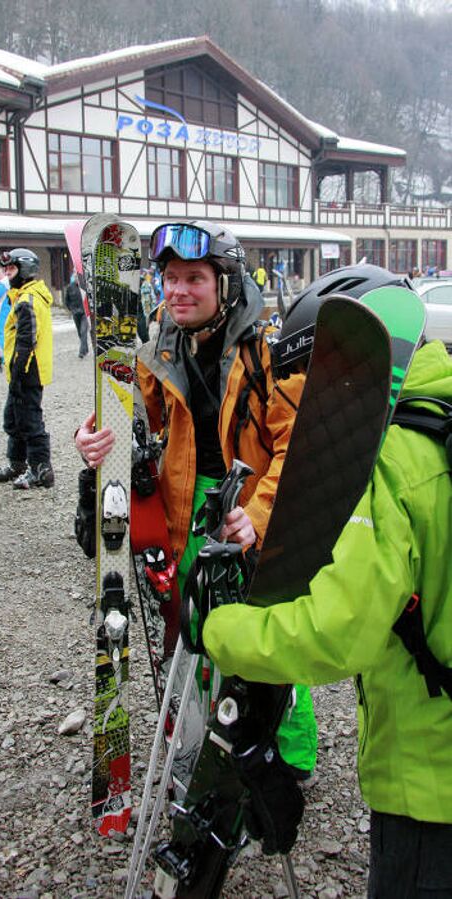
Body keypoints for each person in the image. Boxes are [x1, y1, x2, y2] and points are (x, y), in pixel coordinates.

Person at [202, 264, 452, 898]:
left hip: (430, 778)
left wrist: (223, 628)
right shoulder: (442, 415)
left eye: (318, 383)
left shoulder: (398, 458)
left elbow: (339, 632)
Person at [75, 220, 318, 780]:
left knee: (266, 637)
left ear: (225, 285)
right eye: (169, 278)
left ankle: (288, 757)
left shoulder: (270, 351)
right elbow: (139, 414)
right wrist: (95, 437)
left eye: (193, 279)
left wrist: (257, 518)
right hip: (187, 506)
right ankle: (210, 736)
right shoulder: (165, 338)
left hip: (250, 511)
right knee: (194, 626)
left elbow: (297, 446)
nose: (178, 290)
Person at [0, 248, 55, 490]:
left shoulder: (28, 300)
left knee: (30, 421)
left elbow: (26, 340)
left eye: (12, 269)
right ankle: (17, 463)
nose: (8, 274)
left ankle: (41, 469)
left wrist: (18, 374)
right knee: (14, 419)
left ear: (25, 270)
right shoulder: (23, 296)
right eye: (7, 269)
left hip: (29, 371)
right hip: (23, 371)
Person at [64, 270, 89, 358]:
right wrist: (71, 309)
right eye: (77, 278)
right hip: (75, 313)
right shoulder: (70, 287)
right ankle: (85, 349)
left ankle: (81, 352)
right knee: (80, 332)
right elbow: (66, 301)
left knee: (83, 331)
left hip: (84, 313)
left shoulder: (85, 287)